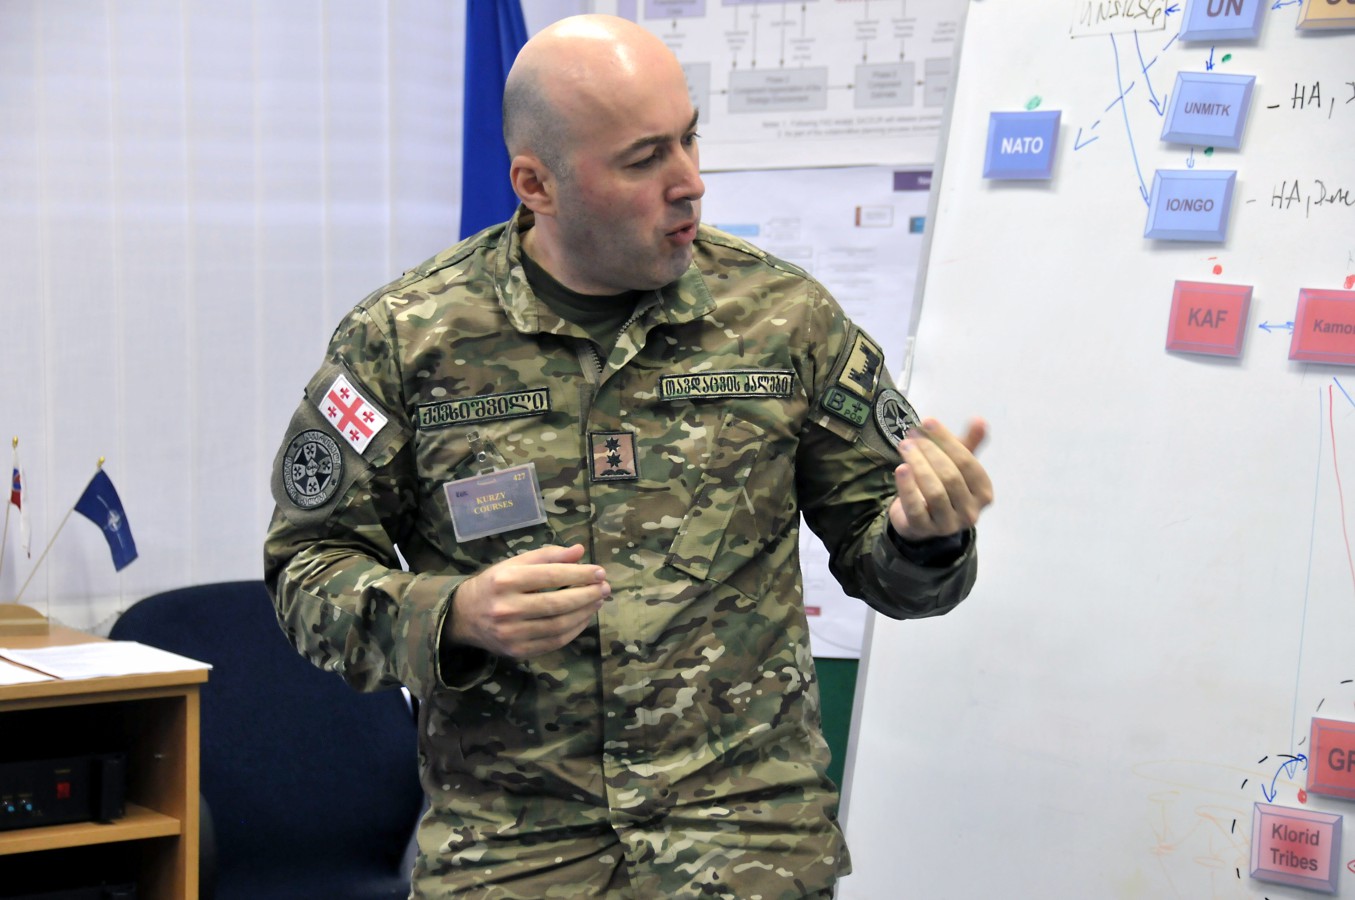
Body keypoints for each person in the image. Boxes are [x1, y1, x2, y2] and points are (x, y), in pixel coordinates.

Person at [264, 13, 992, 899]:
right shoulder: (408, 340)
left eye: (689, 138)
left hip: (745, 848)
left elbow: (902, 580)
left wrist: (925, 539)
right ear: (536, 184)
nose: (690, 183)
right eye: (645, 159)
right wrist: (453, 613)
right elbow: (306, 571)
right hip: (520, 854)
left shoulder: (782, 320)